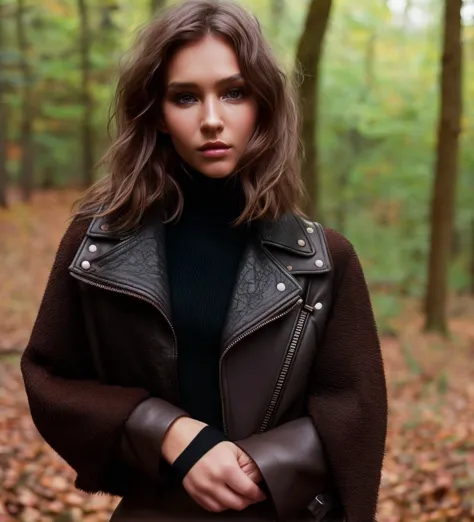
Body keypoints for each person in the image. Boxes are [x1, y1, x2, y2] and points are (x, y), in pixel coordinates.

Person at [20, 1, 388, 521]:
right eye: (186, 97)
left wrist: (262, 462)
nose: (212, 119)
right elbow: (49, 379)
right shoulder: (98, 246)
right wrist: (168, 433)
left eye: (234, 93)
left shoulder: (325, 260)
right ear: (159, 114)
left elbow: (355, 410)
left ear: (262, 104)